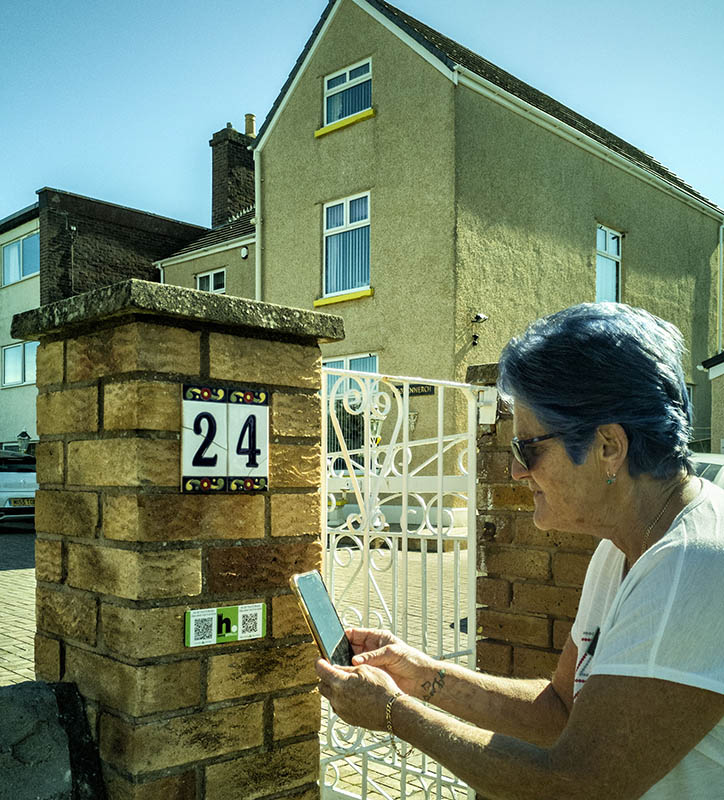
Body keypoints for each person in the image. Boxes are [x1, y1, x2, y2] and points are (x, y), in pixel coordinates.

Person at [316, 302, 724, 799]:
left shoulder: (693, 564)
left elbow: (575, 784)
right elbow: (559, 707)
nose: (514, 471)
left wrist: (393, 713)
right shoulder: (623, 547)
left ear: (609, 447)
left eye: (527, 449)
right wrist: (422, 676)